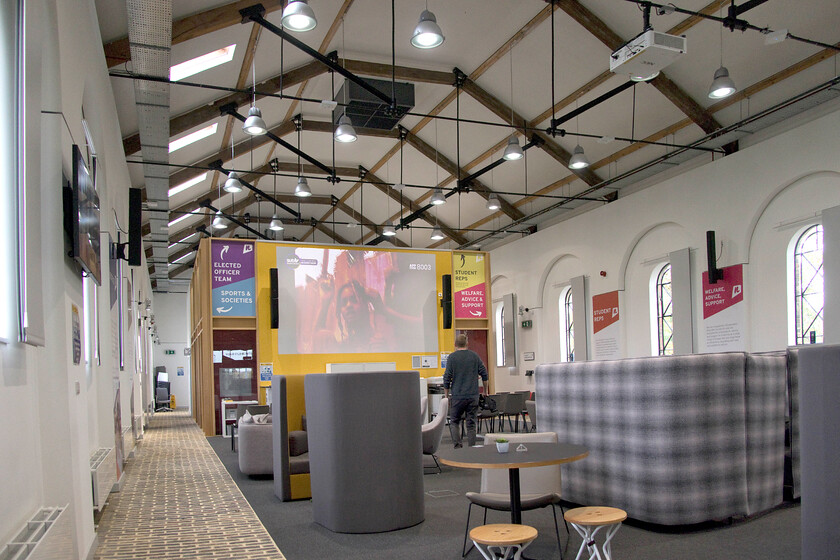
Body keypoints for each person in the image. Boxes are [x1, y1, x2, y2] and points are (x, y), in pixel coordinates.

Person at [443, 334, 488, 448]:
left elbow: (447, 377)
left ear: (455, 345)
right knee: (471, 423)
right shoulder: (474, 356)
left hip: (457, 395)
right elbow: (484, 374)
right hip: (473, 395)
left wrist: (446, 395)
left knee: (454, 422)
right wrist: (485, 390)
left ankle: (458, 446)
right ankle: (471, 448)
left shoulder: (452, 358)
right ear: (467, 344)